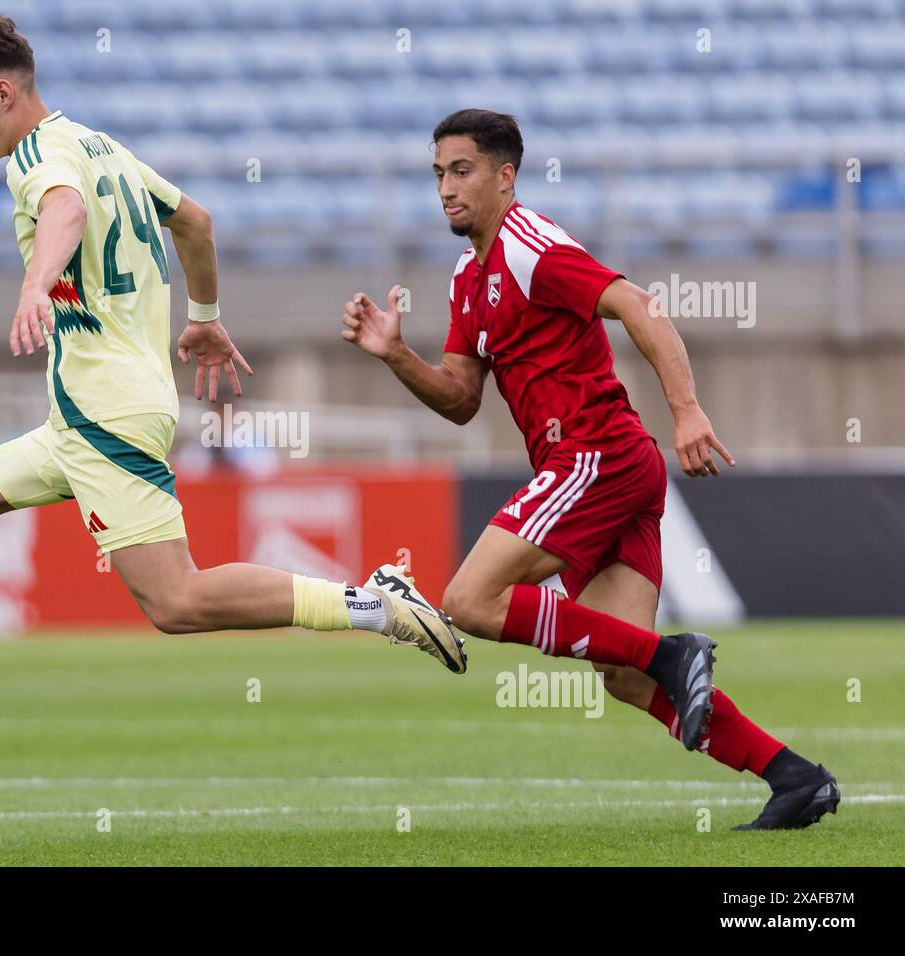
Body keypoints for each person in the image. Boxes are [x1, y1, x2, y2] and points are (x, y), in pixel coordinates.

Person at [0, 15, 466, 703]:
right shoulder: (103, 147)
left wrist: (37, 281)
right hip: (96, 409)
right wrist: (205, 319)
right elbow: (196, 221)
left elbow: (65, 210)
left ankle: (379, 606)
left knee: (177, 601)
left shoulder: (37, 157)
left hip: (104, 410)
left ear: (2, 92)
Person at [341, 108, 839, 831]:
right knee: (626, 675)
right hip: (609, 468)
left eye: (462, 170)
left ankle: (674, 653)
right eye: (438, 174)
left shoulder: (528, 245)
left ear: (505, 176)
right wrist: (396, 355)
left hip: (593, 455)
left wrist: (688, 410)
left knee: (470, 599)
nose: (446, 189)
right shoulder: (467, 276)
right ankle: (794, 778)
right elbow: (458, 398)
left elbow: (637, 305)